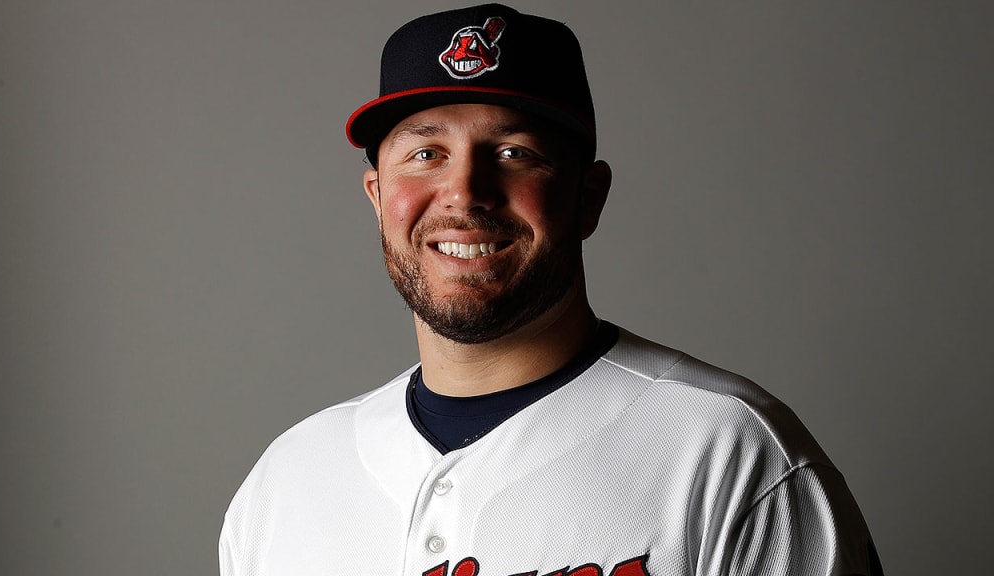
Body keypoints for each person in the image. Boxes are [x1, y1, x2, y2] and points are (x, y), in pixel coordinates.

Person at [219, 4, 883, 575]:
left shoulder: (728, 451)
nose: (464, 193)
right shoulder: (288, 481)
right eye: (426, 154)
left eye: (514, 153)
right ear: (377, 197)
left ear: (587, 197)